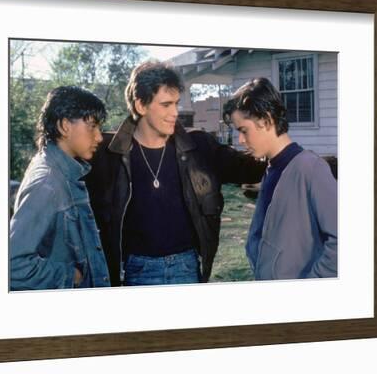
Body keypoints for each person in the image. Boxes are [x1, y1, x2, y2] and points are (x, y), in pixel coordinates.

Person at [85, 61, 266, 286]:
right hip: (133, 271)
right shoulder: (106, 154)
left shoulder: (199, 146)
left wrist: (269, 131)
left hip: (187, 267)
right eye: (166, 104)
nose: (175, 113)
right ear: (141, 105)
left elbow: (252, 168)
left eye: (176, 104)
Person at [223, 77, 337, 280]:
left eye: (243, 130)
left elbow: (343, 243)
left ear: (266, 120)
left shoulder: (311, 168)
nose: (240, 140)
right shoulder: (271, 168)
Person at [9, 86, 111, 290]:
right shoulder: (47, 183)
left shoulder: (62, 171)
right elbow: (12, 265)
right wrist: (70, 276)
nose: (99, 137)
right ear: (65, 126)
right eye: (92, 126)